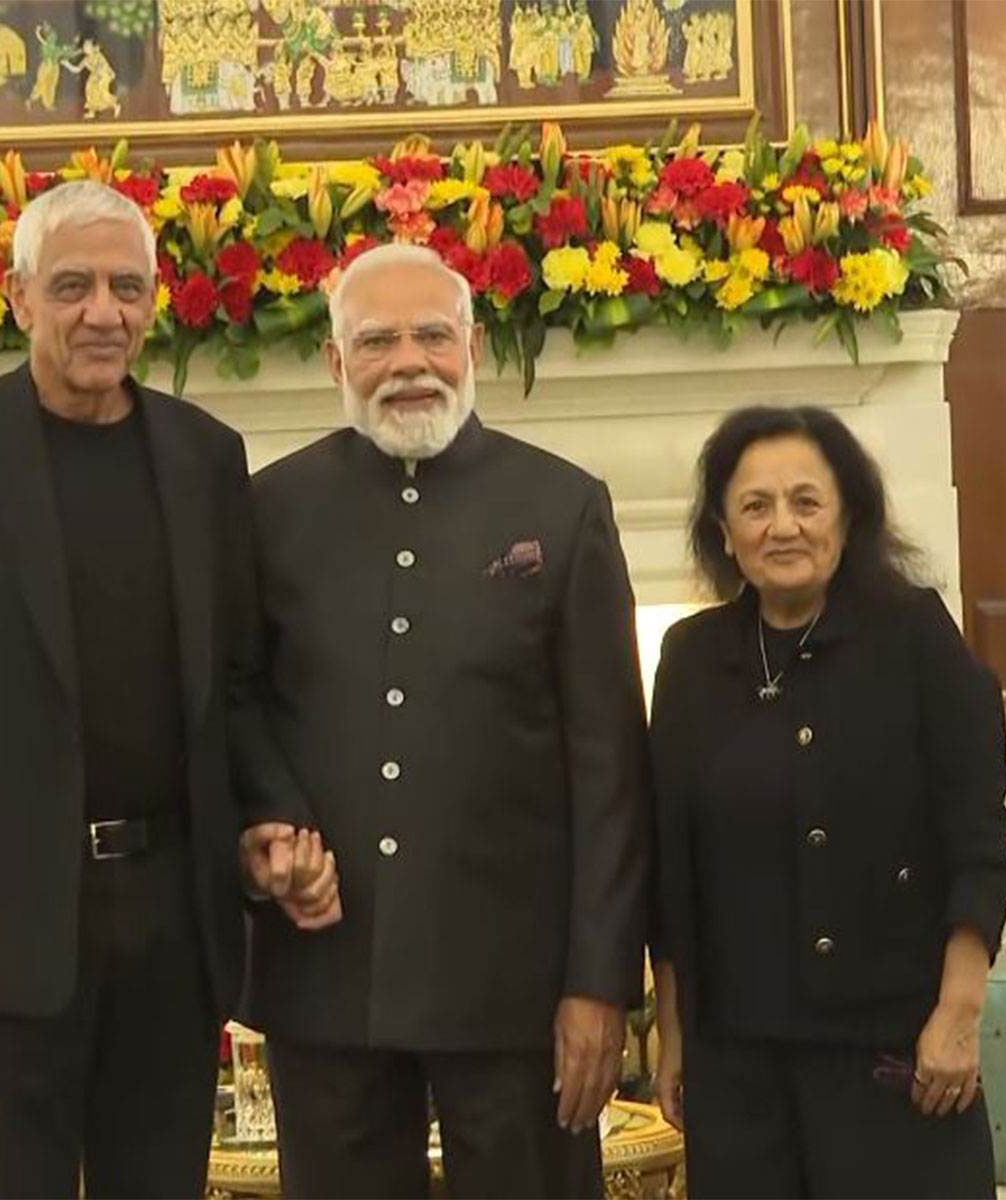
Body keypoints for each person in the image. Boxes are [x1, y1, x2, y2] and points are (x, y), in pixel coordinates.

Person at [0, 179, 337, 1198]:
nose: (101, 312)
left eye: (126, 287)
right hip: (0, 931)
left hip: (171, 918)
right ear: (20, 298)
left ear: (155, 304)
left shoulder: (205, 457)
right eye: (71, 286)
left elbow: (236, 685)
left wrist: (276, 815)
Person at [243, 243, 652, 1199]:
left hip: (516, 985)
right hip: (326, 974)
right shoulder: (269, 509)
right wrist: (264, 825)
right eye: (377, 340)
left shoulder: (563, 505)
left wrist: (599, 985)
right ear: (336, 364)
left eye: (433, 334)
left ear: (473, 345)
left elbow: (612, 772)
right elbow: (234, 704)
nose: (409, 361)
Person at [647, 405, 1006, 1197]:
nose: (782, 525)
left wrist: (958, 1016)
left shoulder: (915, 637)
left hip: (895, 1055)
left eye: (806, 501)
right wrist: (673, 1035)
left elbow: (979, 839)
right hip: (737, 1065)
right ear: (723, 528)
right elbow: (671, 870)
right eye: (756, 505)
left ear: (849, 515)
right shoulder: (689, 659)